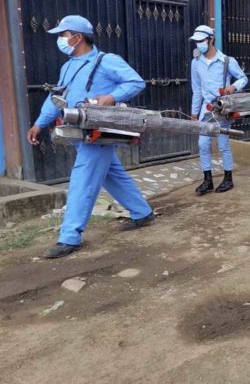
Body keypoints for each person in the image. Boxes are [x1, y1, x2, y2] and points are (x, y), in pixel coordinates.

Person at [27, 15, 155, 259]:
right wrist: (39, 123)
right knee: (112, 175)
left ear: (77, 37)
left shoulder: (106, 61)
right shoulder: (67, 66)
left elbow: (135, 82)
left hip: (98, 132)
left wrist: (112, 97)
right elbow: (57, 97)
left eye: (63, 35)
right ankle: (143, 213)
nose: (60, 39)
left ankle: (69, 237)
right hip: (79, 131)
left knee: (82, 180)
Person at [189, 25, 248, 195]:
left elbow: (243, 78)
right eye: (196, 41)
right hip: (206, 110)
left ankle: (228, 179)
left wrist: (233, 87)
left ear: (211, 39)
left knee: (223, 144)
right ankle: (207, 180)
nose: (198, 44)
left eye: (201, 41)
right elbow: (197, 89)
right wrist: (194, 113)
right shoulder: (196, 63)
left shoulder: (227, 61)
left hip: (222, 109)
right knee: (203, 144)